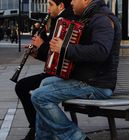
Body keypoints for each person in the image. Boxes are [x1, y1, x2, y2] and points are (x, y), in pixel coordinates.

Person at [31, 0, 122, 140]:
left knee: (39, 96)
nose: (71, 2)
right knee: (45, 83)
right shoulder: (90, 17)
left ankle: (77, 137)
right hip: (88, 78)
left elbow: (101, 51)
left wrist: (64, 48)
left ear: (86, 1)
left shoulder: (102, 20)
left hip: (96, 84)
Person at [15, 0, 75, 140]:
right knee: (23, 87)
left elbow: (60, 53)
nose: (48, 9)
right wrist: (37, 53)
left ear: (61, 6)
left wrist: (41, 45)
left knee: (23, 87)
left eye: (50, 4)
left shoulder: (64, 21)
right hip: (55, 72)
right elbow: (53, 56)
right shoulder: (58, 19)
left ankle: (36, 129)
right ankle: (36, 128)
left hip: (61, 75)